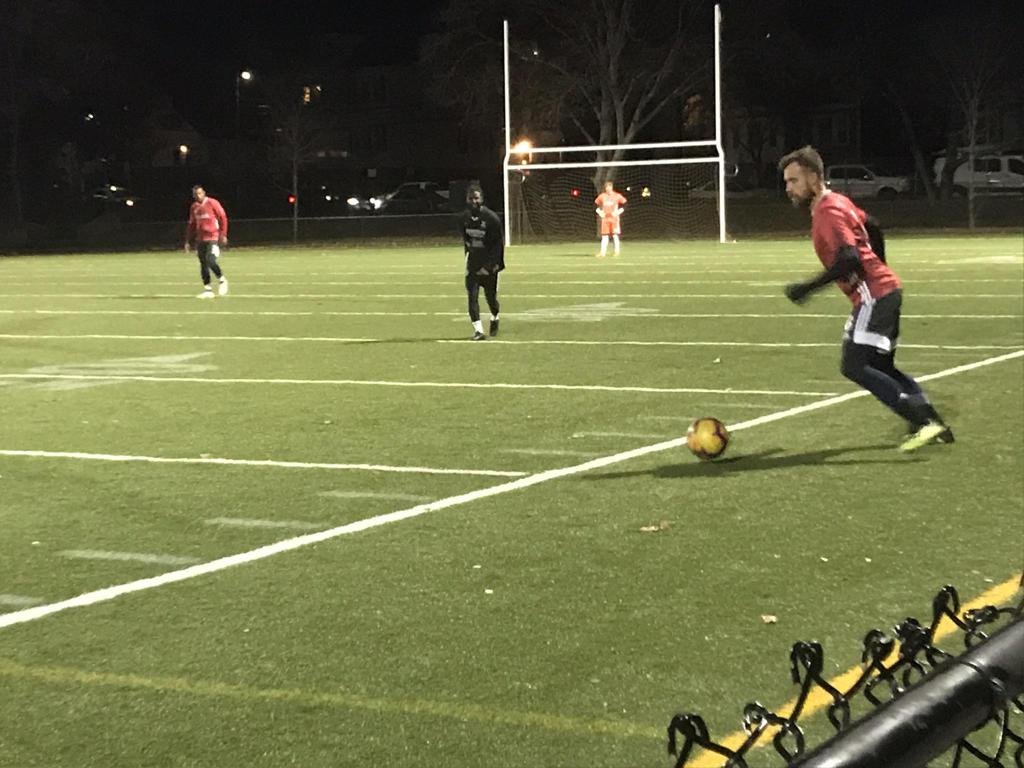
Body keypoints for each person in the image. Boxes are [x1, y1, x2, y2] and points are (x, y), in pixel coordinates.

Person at [778, 145, 952, 452]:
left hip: (875, 296)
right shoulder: (837, 201)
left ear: (814, 178)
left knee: (854, 365)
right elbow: (873, 225)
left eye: (794, 180)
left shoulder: (827, 211)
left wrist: (807, 288)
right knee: (882, 367)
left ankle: (924, 422)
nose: (788, 188)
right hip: (885, 291)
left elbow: (849, 259)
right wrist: (882, 268)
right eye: (787, 182)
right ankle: (935, 423)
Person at [460, 186, 505, 340]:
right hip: (473, 264)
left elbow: (498, 245)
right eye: (471, 198)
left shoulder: (491, 218)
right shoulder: (464, 218)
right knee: (472, 297)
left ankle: (495, 316)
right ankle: (479, 331)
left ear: (482, 199)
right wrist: (468, 258)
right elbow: (466, 240)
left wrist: (491, 266)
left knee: (491, 299)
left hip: (489, 266)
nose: (474, 201)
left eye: (476, 198)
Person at [184, 185, 229, 299]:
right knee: (203, 264)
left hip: (212, 237)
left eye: (199, 193)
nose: (198, 196)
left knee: (210, 260)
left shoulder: (212, 203)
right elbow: (192, 224)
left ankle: (222, 280)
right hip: (200, 239)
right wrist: (188, 241)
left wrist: (223, 234)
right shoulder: (194, 207)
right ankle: (208, 289)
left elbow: (223, 217)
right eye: (195, 194)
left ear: (203, 193)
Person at [594, 180, 627, 257]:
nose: (608, 189)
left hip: (614, 219)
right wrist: (600, 212)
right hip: (605, 219)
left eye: (609, 187)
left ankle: (616, 252)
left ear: (612, 187)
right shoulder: (602, 196)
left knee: (615, 235)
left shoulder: (617, 196)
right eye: (606, 187)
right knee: (604, 236)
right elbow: (595, 204)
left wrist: (618, 212)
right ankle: (602, 253)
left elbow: (625, 203)